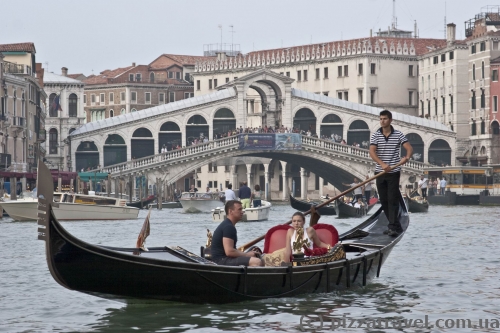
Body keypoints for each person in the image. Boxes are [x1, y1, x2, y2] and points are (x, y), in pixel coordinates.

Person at [369, 110, 413, 237]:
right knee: (383, 200)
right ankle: (395, 225)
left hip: (394, 172)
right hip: (380, 172)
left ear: (390, 120)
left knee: (392, 198)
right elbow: (372, 152)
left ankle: (393, 226)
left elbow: (409, 148)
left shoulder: (398, 134)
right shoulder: (376, 135)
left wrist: (407, 157)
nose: (382, 121)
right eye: (381, 119)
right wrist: (382, 164)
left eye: (385, 119)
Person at [210, 200, 263, 266]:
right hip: (221, 261)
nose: (242, 212)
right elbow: (229, 252)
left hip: (222, 259)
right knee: (256, 262)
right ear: (230, 211)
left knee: (255, 250)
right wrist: (247, 255)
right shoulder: (228, 227)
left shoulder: (228, 225)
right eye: (239, 209)